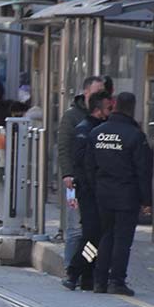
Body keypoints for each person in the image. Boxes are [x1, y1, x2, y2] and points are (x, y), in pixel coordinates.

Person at [84, 92, 151, 296]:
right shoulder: (135, 136)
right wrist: (147, 200)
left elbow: (88, 165)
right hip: (126, 195)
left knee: (106, 236)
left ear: (114, 106)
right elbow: (143, 171)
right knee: (122, 239)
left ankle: (100, 281)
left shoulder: (97, 132)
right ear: (133, 108)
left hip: (103, 193)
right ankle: (117, 281)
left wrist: (96, 188)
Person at [62, 91, 112, 291]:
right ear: (98, 110)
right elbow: (79, 165)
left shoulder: (97, 128)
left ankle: (86, 275)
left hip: (95, 190)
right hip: (89, 192)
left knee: (96, 235)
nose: (111, 112)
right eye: (108, 108)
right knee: (92, 234)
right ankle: (75, 271)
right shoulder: (85, 130)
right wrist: (74, 193)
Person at [57, 75, 105, 271]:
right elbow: (64, 146)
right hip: (75, 180)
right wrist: (67, 174)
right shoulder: (72, 116)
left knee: (93, 231)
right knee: (76, 228)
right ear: (86, 93)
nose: (100, 96)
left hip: (95, 182)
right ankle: (71, 268)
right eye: (96, 92)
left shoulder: (103, 116)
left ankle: (85, 268)